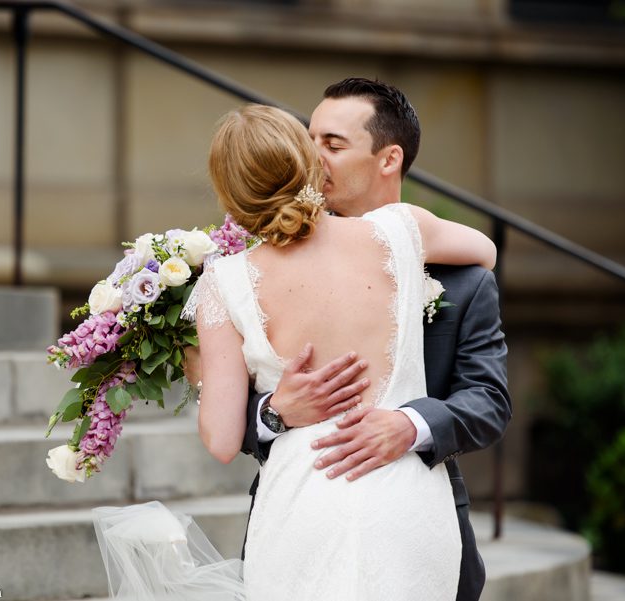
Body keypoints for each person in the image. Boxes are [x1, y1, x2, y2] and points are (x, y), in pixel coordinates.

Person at [182, 102, 496, 600]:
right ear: (310, 164)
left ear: (228, 193)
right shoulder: (403, 230)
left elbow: (221, 440)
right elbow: (484, 250)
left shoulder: (223, 283)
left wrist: (196, 364)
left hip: (301, 503)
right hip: (407, 501)